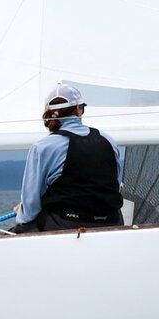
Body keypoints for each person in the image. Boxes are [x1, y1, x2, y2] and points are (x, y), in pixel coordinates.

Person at [13, 82, 124, 232]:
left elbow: (30, 207)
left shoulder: (43, 147)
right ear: (78, 110)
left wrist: (21, 213)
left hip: (64, 225)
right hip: (112, 223)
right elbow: (112, 183)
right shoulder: (108, 141)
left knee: (23, 226)